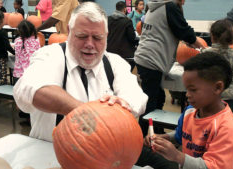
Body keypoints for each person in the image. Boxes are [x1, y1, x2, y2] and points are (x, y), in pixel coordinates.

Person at [13, 2, 148, 142]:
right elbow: (30, 89)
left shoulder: (115, 63)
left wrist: (123, 104)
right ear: (69, 31)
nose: (90, 44)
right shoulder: (49, 55)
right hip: (50, 158)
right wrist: (87, 114)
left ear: (106, 36)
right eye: (82, 36)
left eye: (97, 37)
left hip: (101, 156)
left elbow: (137, 97)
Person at [138, 52, 233, 169]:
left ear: (217, 87)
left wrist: (178, 156)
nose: (187, 95)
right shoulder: (190, 111)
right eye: (186, 89)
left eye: (193, 90)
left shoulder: (225, 127)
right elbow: (181, 135)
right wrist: (163, 138)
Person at [134, 0, 205, 136]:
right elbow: (184, 31)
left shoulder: (154, 6)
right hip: (151, 60)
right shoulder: (170, 7)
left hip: (144, 57)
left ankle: (157, 130)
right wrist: (203, 49)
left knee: (159, 97)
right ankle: (140, 138)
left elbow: (169, 29)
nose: (183, 2)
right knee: (150, 102)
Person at [201, 19, 233, 120]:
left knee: (209, 121)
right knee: (229, 122)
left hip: (210, 94)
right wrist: (232, 67)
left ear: (212, 35)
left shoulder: (205, 53)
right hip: (228, 95)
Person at [107, 1, 137, 71]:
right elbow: (132, 38)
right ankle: (126, 73)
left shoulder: (108, 19)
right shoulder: (127, 21)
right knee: (136, 59)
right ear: (125, 9)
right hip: (123, 52)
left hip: (109, 50)